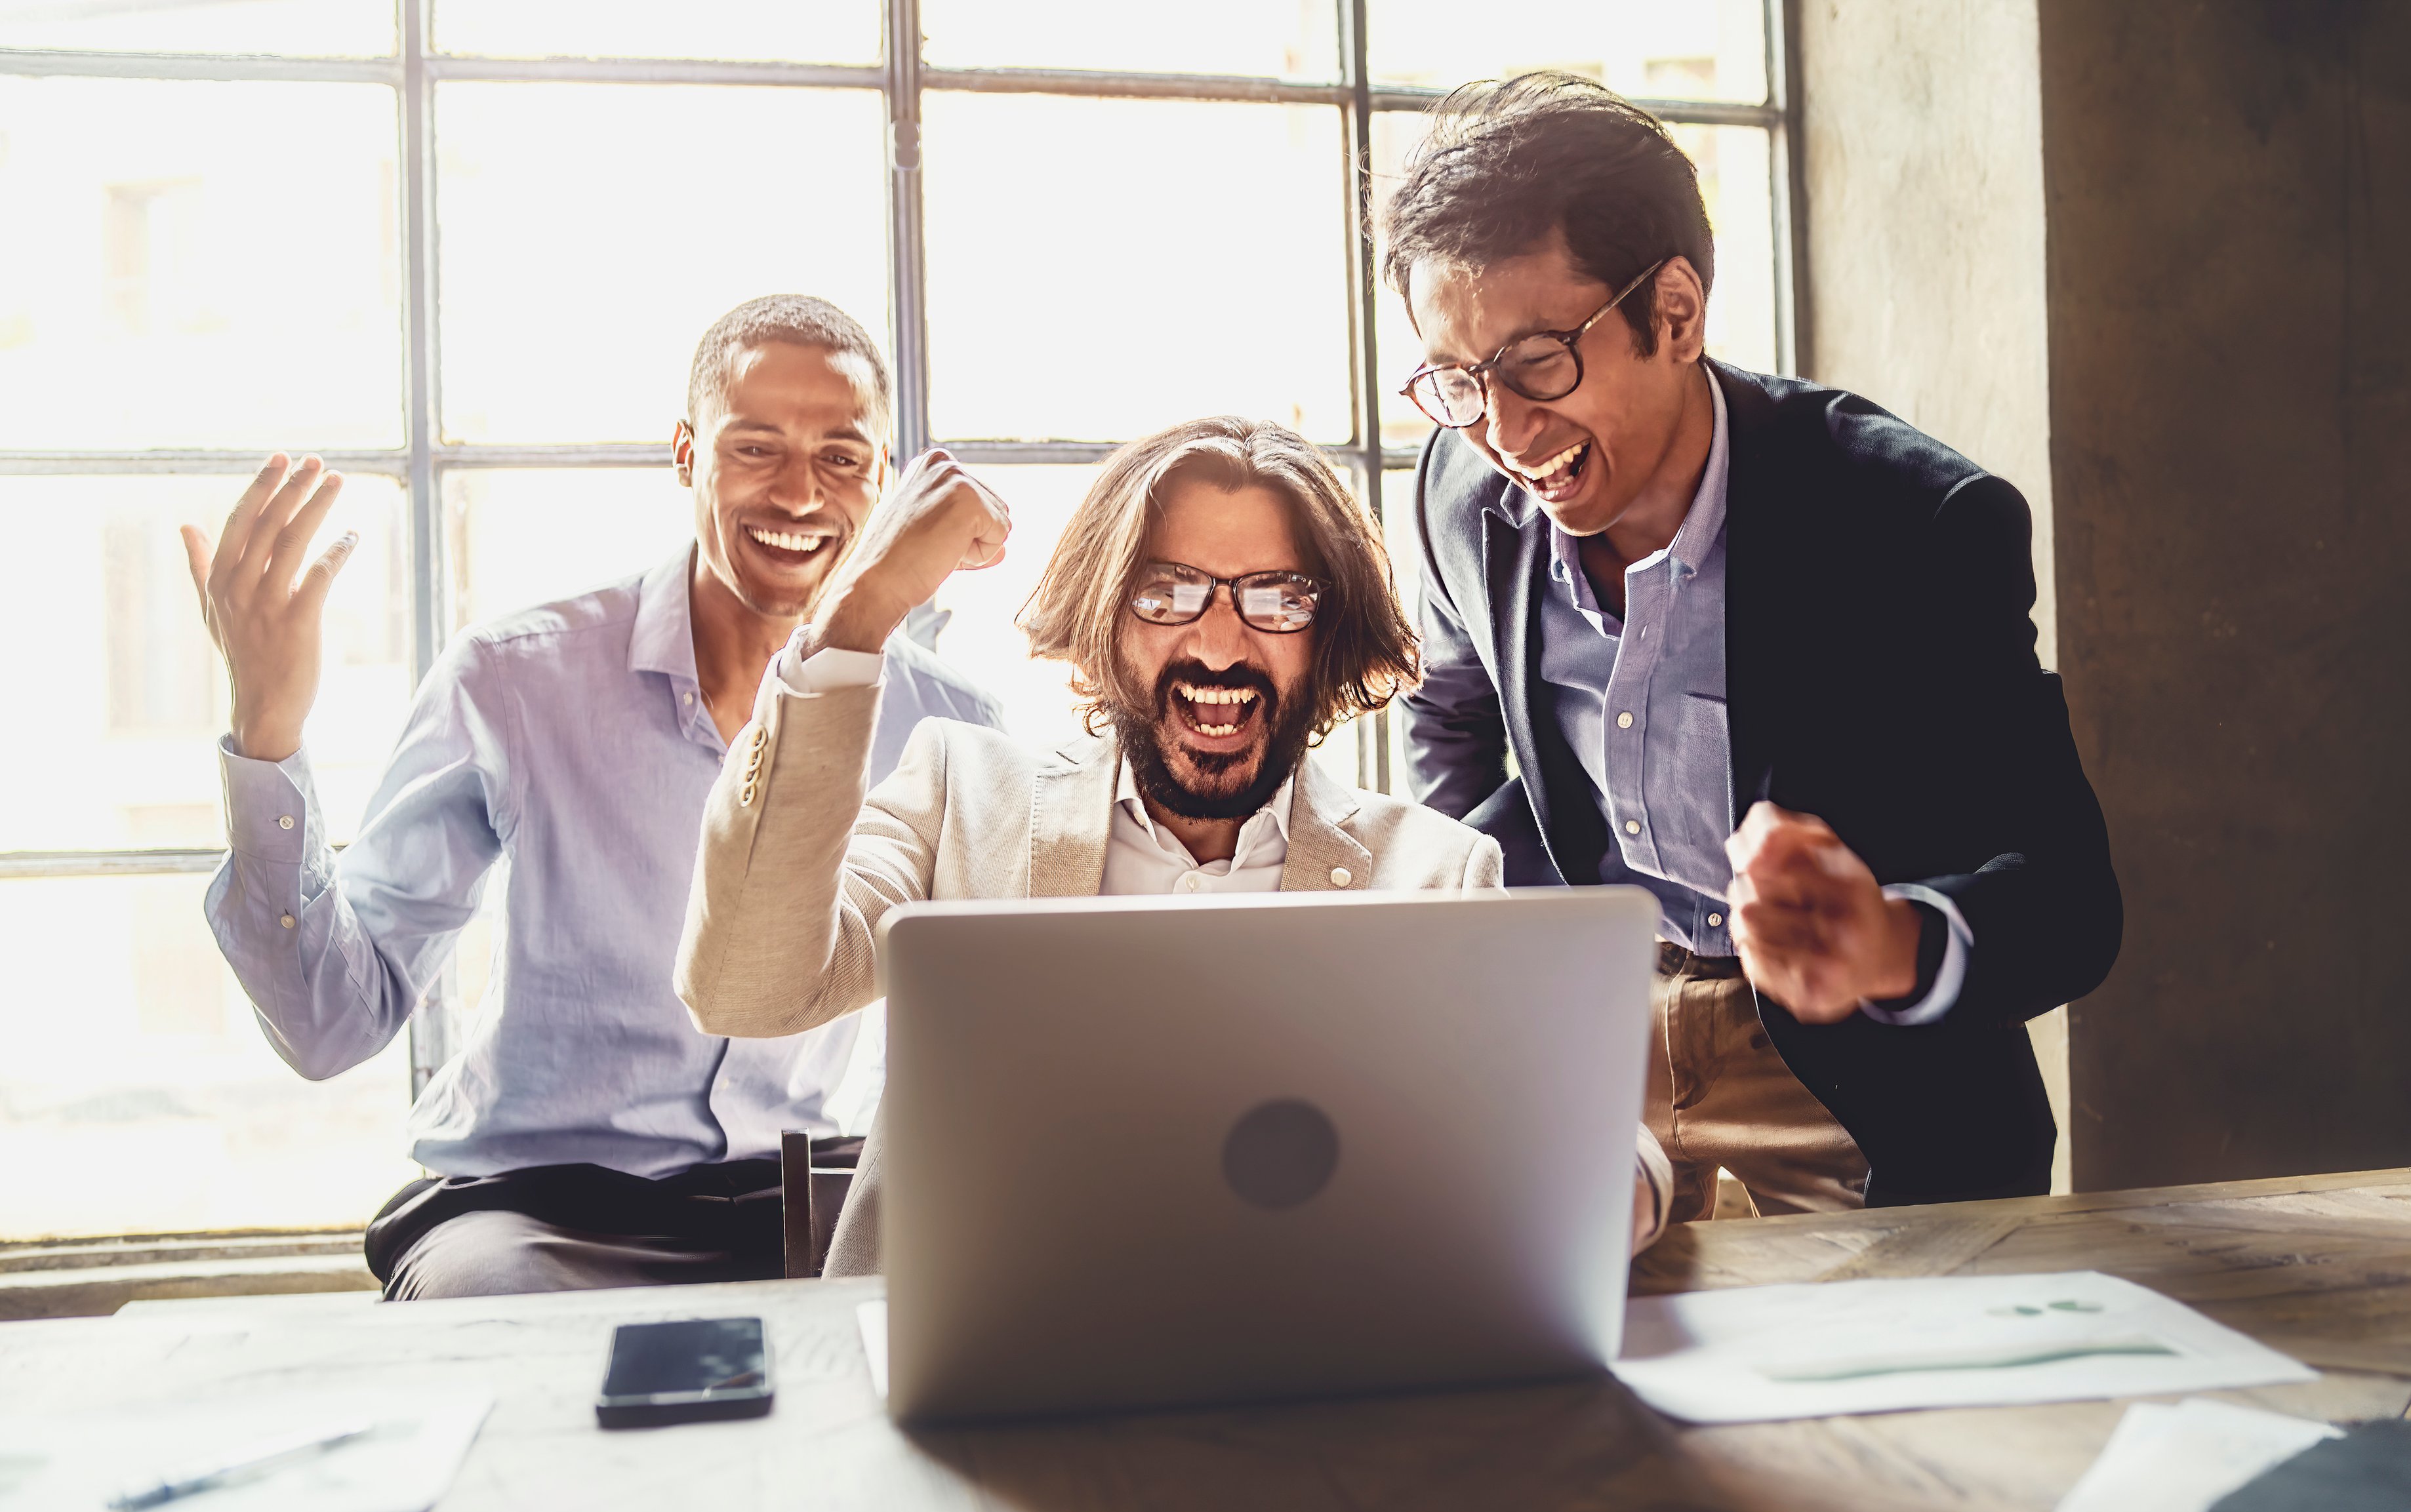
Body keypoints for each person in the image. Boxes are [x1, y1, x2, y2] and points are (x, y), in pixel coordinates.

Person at [1381, 75, 2121, 1263]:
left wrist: (1890, 942)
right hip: (1587, 1036)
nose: (1505, 435)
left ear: (1674, 311)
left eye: (1537, 365)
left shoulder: (1916, 522)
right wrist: (1499, 946)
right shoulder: (1459, 489)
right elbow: (1456, 722)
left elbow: (2072, 899)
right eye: (1457, 380)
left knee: (1894, 1423)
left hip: (1849, 1074)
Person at [675, 416, 1678, 1276]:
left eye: (1279, 597)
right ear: (1106, 620)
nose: (1219, 642)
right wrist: (856, 616)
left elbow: (1592, 1140)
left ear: (1329, 637)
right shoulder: (959, 795)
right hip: (971, 1401)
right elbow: (746, 987)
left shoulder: (1436, 873)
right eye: (1167, 592)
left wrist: (1613, 1184)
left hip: (1292, 1402)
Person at [188, 295, 1000, 1299]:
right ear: (685, 453)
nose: (800, 495)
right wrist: (267, 732)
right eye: (757, 448)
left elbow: (1001, 1032)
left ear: (884, 486)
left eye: (842, 457)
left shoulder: (947, 724)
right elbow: (328, 1027)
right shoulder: (518, 679)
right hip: (540, 1210)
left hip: (811, 1199)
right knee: (487, 1316)